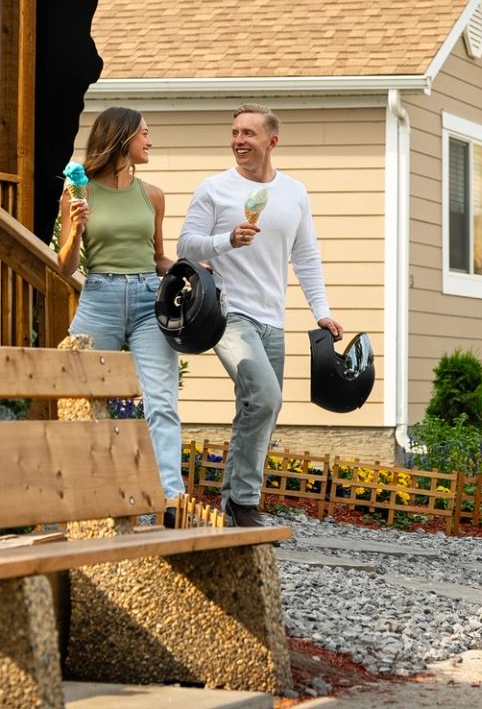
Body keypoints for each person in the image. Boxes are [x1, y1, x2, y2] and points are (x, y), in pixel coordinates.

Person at [178, 104, 342, 528]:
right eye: (234, 132)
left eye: (248, 133)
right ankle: (244, 501)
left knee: (258, 407)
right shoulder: (215, 189)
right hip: (228, 313)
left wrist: (322, 312)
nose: (238, 141)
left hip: (273, 319)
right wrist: (227, 240)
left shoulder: (294, 193)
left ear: (272, 141)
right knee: (266, 397)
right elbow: (186, 245)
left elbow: (306, 256)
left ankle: (234, 503)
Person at [56, 107, 184, 511]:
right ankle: (84, 495)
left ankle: (170, 499)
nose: (150, 141)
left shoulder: (153, 195)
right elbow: (66, 267)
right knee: (82, 397)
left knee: (162, 400)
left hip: (149, 300)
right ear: (122, 137)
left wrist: (190, 271)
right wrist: (76, 228)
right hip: (100, 297)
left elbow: (157, 257)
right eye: (145, 133)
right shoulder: (78, 192)